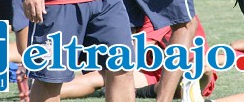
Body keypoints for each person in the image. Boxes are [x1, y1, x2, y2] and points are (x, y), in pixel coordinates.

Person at [59, 16, 217, 101]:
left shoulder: (161, 9)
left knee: (196, 69)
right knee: (98, 77)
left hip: (184, 67)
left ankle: (191, 83)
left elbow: (135, 52)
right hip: (153, 70)